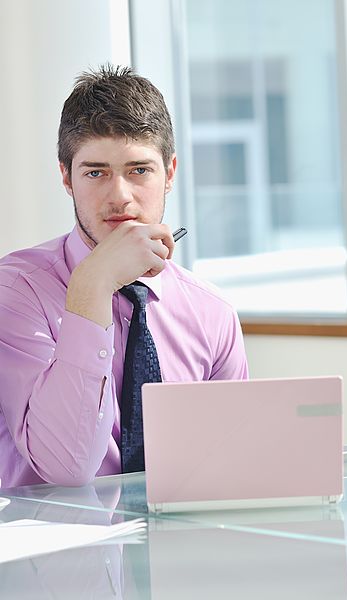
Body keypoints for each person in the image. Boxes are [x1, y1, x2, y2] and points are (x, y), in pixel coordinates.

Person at [0, 64, 248, 489]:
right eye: (96, 172)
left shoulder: (212, 312)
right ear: (67, 177)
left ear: (169, 173)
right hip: (48, 547)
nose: (120, 195)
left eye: (139, 170)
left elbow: (230, 467)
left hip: (177, 545)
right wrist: (91, 286)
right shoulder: (15, 292)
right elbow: (65, 468)